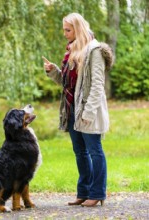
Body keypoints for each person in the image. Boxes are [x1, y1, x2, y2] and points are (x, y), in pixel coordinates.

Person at [43, 12, 113, 207]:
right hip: (72, 109)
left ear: (78, 28)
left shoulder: (94, 50)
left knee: (94, 150)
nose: (64, 33)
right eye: (64, 29)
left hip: (88, 110)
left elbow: (98, 85)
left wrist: (88, 113)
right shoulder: (71, 51)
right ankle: (83, 192)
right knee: (80, 152)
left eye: (68, 29)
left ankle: (98, 193)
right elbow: (67, 84)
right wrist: (54, 71)